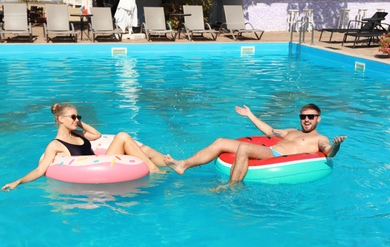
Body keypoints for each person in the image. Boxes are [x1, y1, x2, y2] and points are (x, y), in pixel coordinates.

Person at [164, 103, 347, 189]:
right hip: (269, 150)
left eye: (310, 117)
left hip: (274, 156)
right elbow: (269, 131)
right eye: (303, 116)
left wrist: (336, 145)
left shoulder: (320, 138)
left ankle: (231, 187)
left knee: (244, 147)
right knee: (220, 141)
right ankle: (183, 165)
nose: (306, 120)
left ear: (318, 118)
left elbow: (329, 152)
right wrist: (249, 114)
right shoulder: (291, 131)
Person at [2, 103, 167, 191]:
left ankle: (174, 163)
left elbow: (96, 135)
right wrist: (18, 181)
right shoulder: (55, 145)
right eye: (73, 117)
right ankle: (154, 170)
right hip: (98, 167)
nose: (76, 120)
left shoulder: (78, 134)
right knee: (123, 136)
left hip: (104, 159)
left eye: (78, 116)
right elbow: (40, 170)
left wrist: (78, 122)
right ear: (60, 119)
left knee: (143, 150)